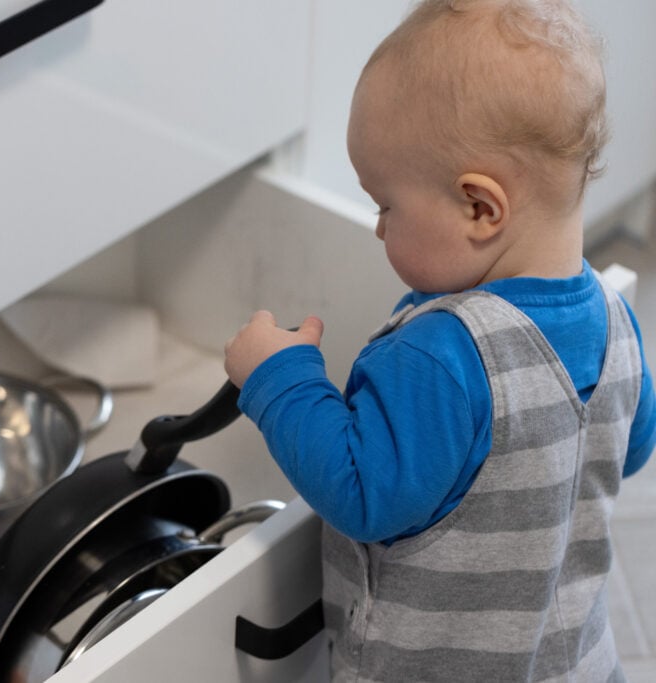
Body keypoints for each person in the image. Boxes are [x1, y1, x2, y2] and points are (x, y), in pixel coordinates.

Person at [223, 0, 656, 680]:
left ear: (480, 208)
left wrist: (278, 377)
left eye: (385, 205)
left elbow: (362, 492)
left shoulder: (442, 358)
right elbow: (628, 449)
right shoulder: (616, 318)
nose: (377, 227)